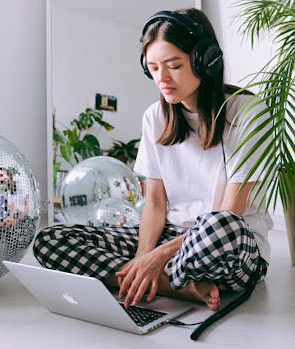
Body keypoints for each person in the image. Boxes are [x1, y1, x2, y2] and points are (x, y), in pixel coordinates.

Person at [33, 8, 272, 311]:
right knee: (51, 239)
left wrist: (156, 259)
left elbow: (230, 213)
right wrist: (142, 256)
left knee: (220, 224)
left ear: (205, 60)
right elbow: (156, 203)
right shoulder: (154, 117)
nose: (162, 78)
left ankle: (156, 276)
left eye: (174, 65)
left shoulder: (249, 112)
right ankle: (172, 285)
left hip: (227, 245)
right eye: (154, 68)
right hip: (170, 237)